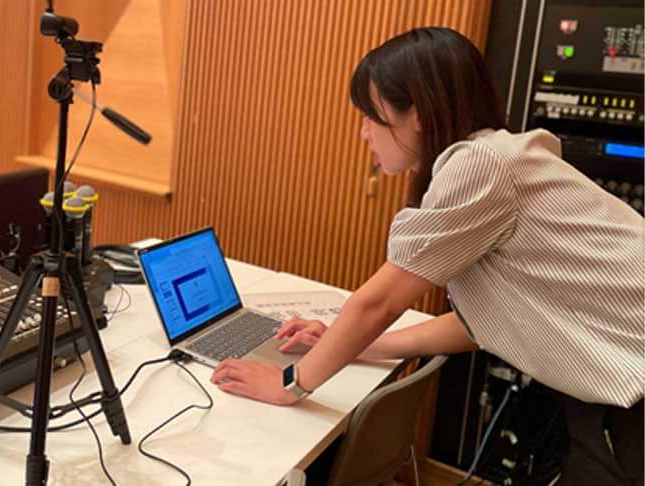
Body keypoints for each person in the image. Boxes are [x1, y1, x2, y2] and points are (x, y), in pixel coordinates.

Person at [209, 27, 644, 485]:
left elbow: (380, 302)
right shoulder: (502, 159)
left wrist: (289, 383)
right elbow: (479, 326)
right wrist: (349, 342)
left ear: (415, 112)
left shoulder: (479, 165)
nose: (363, 133)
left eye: (370, 116)